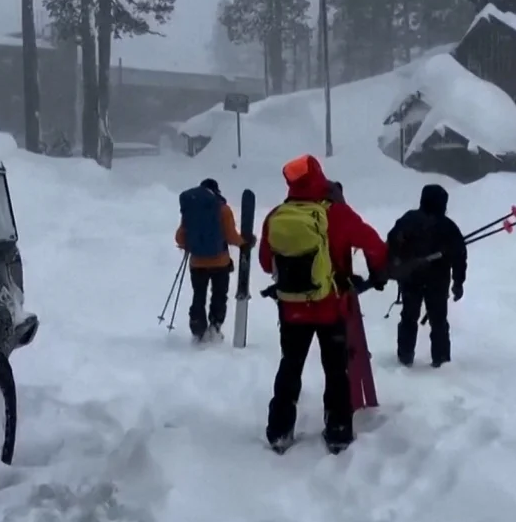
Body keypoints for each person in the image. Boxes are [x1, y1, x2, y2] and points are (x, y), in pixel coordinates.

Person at [258, 155, 388, 453]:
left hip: (291, 309)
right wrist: (377, 271)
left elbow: (267, 263)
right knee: (335, 369)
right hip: (331, 307)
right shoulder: (338, 214)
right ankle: (338, 430)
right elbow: (374, 244)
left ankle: (279, 429)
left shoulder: (277, 215)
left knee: (290, 366)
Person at [386, 184, 466, 368]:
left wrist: (396, 265)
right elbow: (460, 255)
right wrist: (458, 282)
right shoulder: (448, 226)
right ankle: (442, 361)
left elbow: (392, 243)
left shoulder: (408, 220)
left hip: (412, 280)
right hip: (436, 282)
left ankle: (405, 358)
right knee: (438, 322)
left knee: (409, 318)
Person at [175, 178, 252, 341]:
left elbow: (180, 236)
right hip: (220, 262)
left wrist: (189, 244)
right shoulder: (223, 209)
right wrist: (245, 243)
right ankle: (215, 326)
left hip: (197, 263)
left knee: (199, 294)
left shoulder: (192, 210)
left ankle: (197, 326)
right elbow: (231, 236)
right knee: (219, 295)